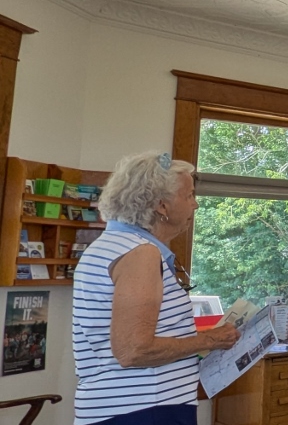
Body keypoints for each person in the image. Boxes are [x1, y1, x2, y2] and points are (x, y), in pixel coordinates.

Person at [72, 151, 240, 425]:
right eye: (189, 196)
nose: (195, 205)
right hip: (144, 410)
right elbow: (134, 350)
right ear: (162, 206)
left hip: (124, 408)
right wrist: (211, 340)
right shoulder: (140, 253)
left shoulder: (107, 246)